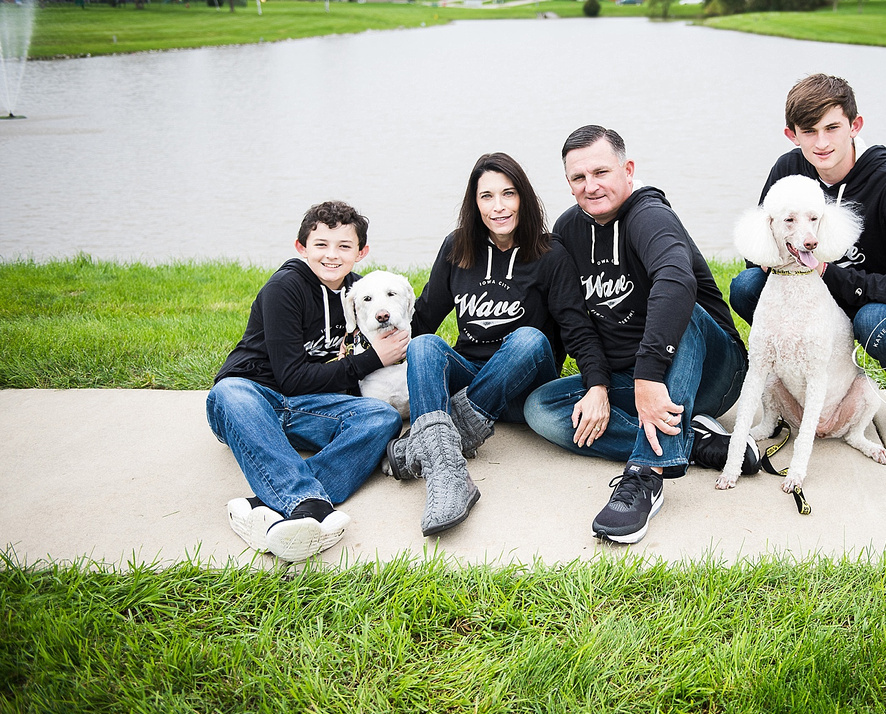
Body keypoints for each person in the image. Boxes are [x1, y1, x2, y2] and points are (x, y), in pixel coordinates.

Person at [524, 125, 754, 545]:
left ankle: (646, 473)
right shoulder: (569, 230)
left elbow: (676, 280)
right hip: (631, 382)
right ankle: (693, 440)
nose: (590, 186)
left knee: (685, 309)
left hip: (710, 372)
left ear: (628, 170)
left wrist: (649, 376)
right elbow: (574, 318)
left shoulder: (650, 215)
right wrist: (596, 384)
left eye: (601, 172)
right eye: (578, 178)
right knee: (541, 408)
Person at [382, 152, 610, 537]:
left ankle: (424, 443)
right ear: (474, 203)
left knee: (528, 338)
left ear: (524, 197)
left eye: (508, 194)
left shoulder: (550, 254)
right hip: (471, 379)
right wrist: (370, 357)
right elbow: (423, 319)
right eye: (486, 196)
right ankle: (447, 473)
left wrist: (598, 386)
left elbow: (577, 328)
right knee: (424, 345)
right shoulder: (457, 248)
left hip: (524, 388)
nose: (499, 206)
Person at [728, 73, 886, 447]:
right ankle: (802, 375)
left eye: (832, 128)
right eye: (809, 131)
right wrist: (770, 262)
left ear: (854, 126)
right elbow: (762, 249)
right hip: (819, 300)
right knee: (747, 288)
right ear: (792, 135)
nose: (821, 142)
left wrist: (832, 274)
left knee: (873, 321)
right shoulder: (788, 170)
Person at [207, 201, 405, 563]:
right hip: (252, 400)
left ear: (361, 253)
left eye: (344, 246)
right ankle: (309, 505)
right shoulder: (285, 289)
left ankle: (267, 505)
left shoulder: (361, 293)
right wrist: (373, 359)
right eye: (321, 245)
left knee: (381, 417)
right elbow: (291, 378)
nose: (332, 255)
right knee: (228, 389)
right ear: (301, 248)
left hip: (307, 409)